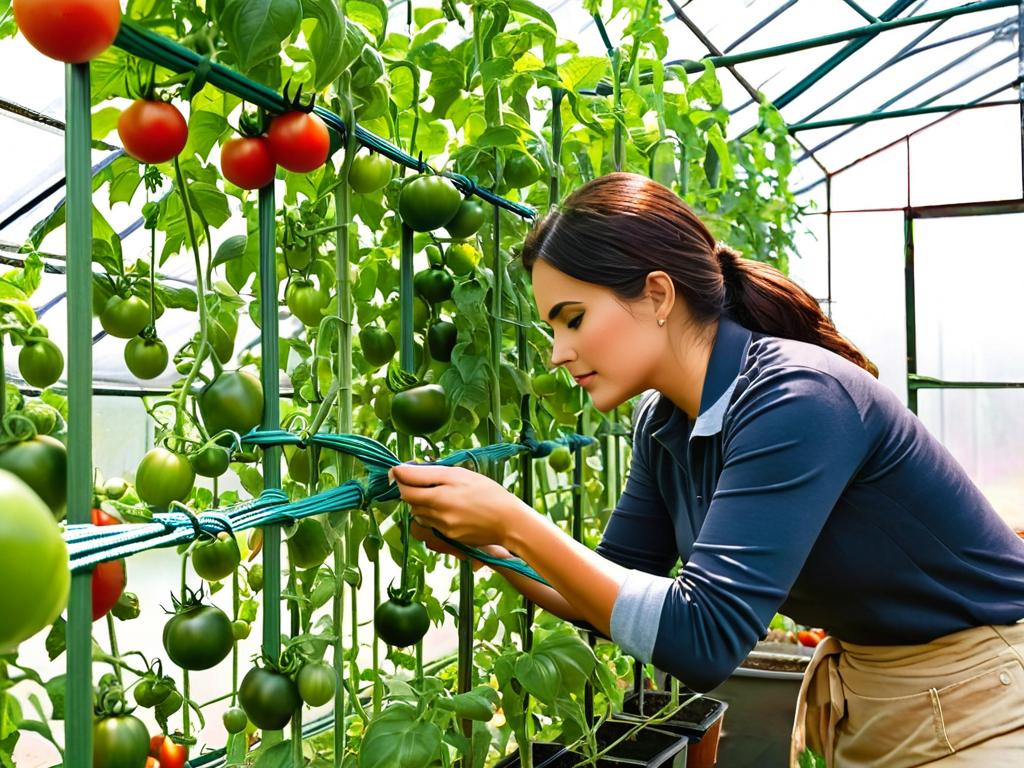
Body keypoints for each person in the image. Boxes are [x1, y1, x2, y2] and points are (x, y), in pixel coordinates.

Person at [389, 172, 1024, 766]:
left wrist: (514, 520)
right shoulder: (665, 425)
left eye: (573, 319)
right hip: (877, 695)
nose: (558, 354)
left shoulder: (797, 398)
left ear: (658, 295)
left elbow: (705, 638)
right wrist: (491, 544)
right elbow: (603, 596)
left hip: (987, 697)